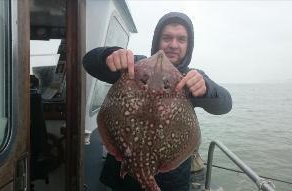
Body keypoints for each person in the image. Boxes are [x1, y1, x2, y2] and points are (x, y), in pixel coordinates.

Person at [83, 12, 232, 191]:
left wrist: (206, 88)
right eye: (167, 37)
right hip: (123, 173)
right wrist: (109, 55)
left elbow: (225, 104)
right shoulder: (135, 66)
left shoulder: (191, 79)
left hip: (172, 181)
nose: (173, 45)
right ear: (157, 40)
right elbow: (89, 61)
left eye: (181, 39)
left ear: (188, 45)